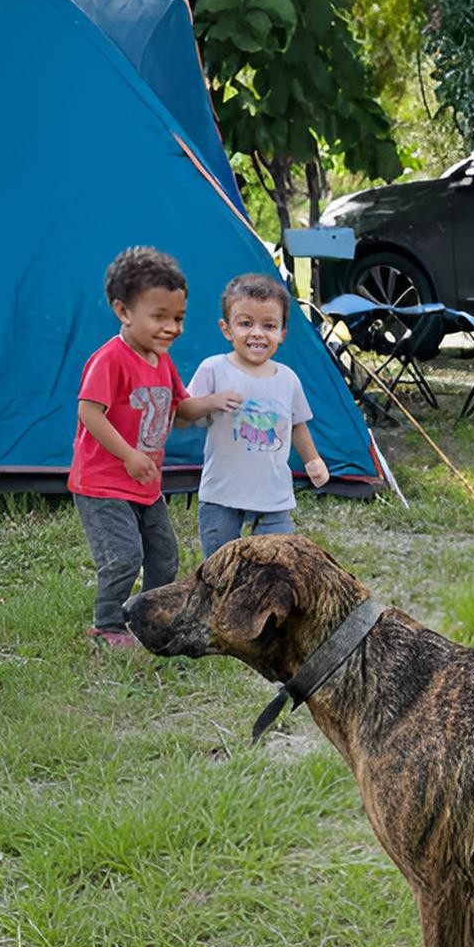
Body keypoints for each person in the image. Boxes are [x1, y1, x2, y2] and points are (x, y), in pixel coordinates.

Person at [70, 245, 240, 648]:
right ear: (124, 312)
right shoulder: (110, 360)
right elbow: (89, 413)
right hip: (103, 483)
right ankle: (108, 625)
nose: (171, 327)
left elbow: (181, 410)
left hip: (145, 484)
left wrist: (213, 401)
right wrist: (128, 455)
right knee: (125, 556)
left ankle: (153, 617)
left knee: (164, 554)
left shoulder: (161, 361)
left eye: (178, 318)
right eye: (159, 317)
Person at [186, 271, 330, 559]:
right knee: (219, 566)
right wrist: (211, 401)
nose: (257, 333)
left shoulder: (287, 379)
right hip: (221, 493)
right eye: (245, 323)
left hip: (273, 493)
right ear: (227, 329)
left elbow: (297, 424)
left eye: (269, 325)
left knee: (278, 564)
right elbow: (183, 414)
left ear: (282, 333)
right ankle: (221, 605)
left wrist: (313, 459)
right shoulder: (213, 369)